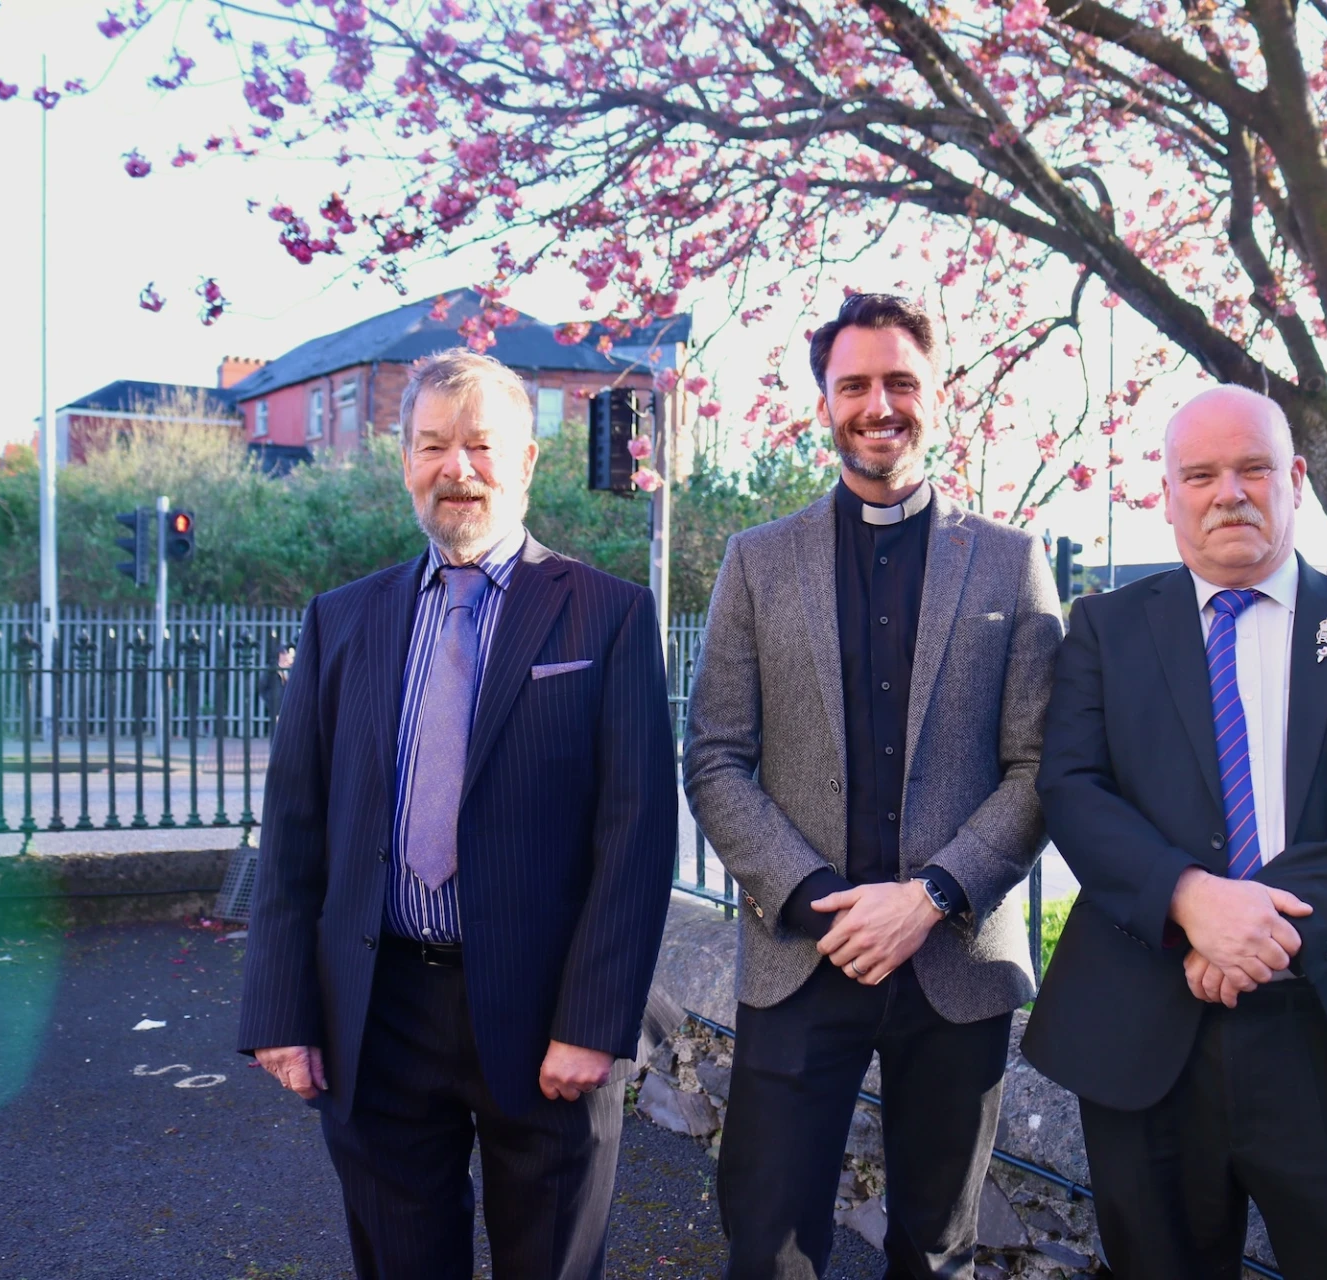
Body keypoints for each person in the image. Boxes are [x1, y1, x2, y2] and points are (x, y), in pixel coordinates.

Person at [236, 348, 676, 1280]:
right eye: (433, 445)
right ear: (406, 461)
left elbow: (634, 838)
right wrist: (281, 1008)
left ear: (525, 461)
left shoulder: (608, 616)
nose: (457, 468)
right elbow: (295, 830)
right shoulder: (341, 620)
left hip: (544, 1015)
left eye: (481, 445)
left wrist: (593, 1021)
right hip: (378, 1010)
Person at [1022, 385, 1327, 1279]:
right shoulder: (1105, 629)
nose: (1227, 493)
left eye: (1252, 468)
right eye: (1199, 475)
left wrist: (1260, 927)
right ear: (1167, 495)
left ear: (1294, 479)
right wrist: (1191, 901)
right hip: (1148, 1026)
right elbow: (1071, 788)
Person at [684, 292, 1063, 1280]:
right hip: (799, 955)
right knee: (766, 1249)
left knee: (935, 1254)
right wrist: (816, 899)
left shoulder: (1013, 563)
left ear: (938, 395)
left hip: (955, 960)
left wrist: (929, 895)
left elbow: (1039, 766)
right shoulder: (756, 561)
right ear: (824, 404)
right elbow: (714, 754)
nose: (877, 405)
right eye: (853, 385)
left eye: (900, 381)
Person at [259, 642, 294, 723]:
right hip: (277, 709)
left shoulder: (292, 670)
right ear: (282, 655)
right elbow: (262, 688)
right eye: (289, 654)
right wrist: (272, 703)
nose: (292, 658)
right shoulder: (271, 671)